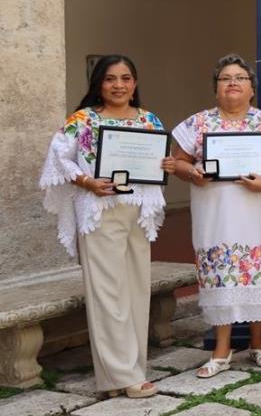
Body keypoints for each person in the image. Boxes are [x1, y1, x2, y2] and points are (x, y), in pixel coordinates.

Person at [39, 55, 175, 398]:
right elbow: (58, 158)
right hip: (100, 211)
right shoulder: (83, 120)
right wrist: (86, 181)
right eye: (110, 79)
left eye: (126, 78)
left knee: (135, 290)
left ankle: (126, 373)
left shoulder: (149, 119)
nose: (119, 85)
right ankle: (123, 376)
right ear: (99, 83)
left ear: (135, 83)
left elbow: (156, 159)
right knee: (107, 295)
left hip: (137, 213)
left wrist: (166, 163)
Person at [170, 54, 261, 377]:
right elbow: (177, 162)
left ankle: (258, 344)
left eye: (240, 78)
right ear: (216, 88)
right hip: (216, 214)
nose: (233, 83)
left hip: (256, 211)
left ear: (252, 88)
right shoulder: (197, 123)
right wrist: (192, 172)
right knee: (221, 273)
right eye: (226, 78)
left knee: (256, 274)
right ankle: (221, 350)